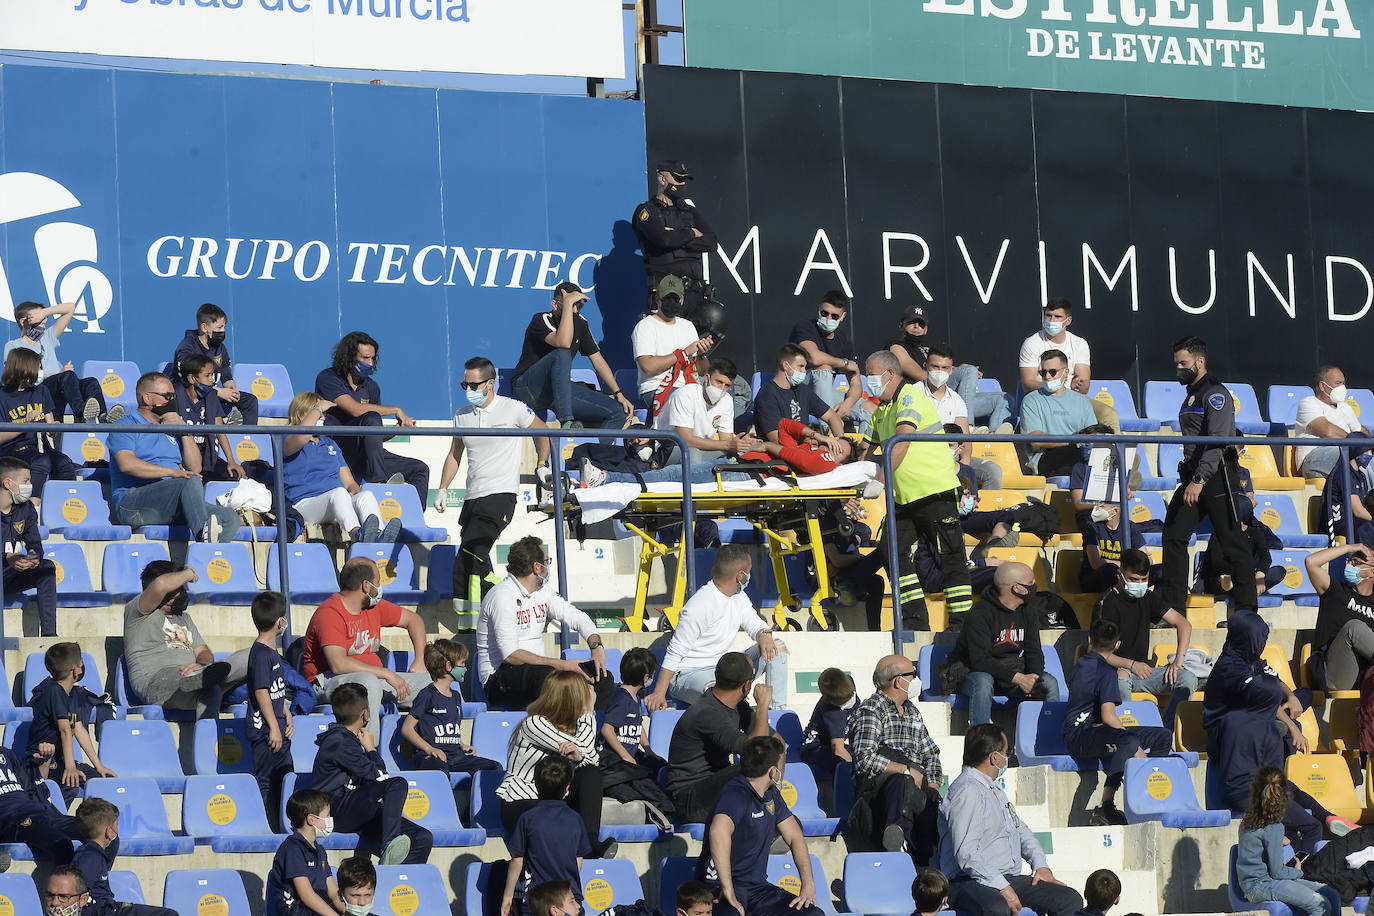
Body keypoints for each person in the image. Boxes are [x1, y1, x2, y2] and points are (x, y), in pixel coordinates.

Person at [1203, 610, 1354, 854]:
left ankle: (1327, 816)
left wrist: (1291, 697)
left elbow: (1269, 683)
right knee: (1308, 824)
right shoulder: (1230, 669)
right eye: (1260, 638)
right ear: (1250, 639)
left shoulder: (1247, 655)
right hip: (1226, 742)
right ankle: (1307, 860)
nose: (1263, 643)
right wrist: (1292, 727)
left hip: (1245, 766)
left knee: (1302, 695)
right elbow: (1259, 700)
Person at [861, 349, 970, 631]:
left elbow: (902, 441)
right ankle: (914, 620)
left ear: (889, 374)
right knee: (889, 549)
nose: (867, 380)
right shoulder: (881, 410)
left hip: (935, 492)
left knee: (951, 558)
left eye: (871, 375)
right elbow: (864, 450)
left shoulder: (910, 396)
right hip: (905, 498)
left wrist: (879, 481)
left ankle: (961, 626)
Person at [939, 723, 1084, 916]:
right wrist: (1002, 886)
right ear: (994, 757)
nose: (1007, 758)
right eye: (1006, 753)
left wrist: (1040, 865)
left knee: (1069, 899)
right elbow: (966, 855)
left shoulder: (994, 788)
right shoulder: (967, 791)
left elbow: (1019, 829)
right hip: (969, 880)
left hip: (1004, 878)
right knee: (997, 907)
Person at [438, 356, 550, 606]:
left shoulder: (513, 408)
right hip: (472, 498)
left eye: (473, 385)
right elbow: (455, 454)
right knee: (470, 562)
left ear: (490, 383)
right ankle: (486, 615)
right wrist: (443, 488)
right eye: (464, 385)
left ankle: (513, 594)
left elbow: (544, 432)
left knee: (470, 554)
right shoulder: (462, 415)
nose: (468, 390)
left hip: (500, 495)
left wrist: (542, 465)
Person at [1160, 336, 1257, 615]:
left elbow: (1217, 441)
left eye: (1183, 363)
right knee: (1174, 536)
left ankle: (1247, 612)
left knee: (1232, 543)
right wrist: (1193, 479)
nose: (1178, 368)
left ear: (1199, 361)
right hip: (1194, 476)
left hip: (1215, 476)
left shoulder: (1215, 394)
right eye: (1177, 363)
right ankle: (1175, 610)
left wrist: (1199, 480)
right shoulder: (1192, 394)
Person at [299, 557, 431, 743]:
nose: (380, 588)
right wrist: (387, 673)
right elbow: (338, 664)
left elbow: (414, 620)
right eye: (378, 582)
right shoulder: (329, 613)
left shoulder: (372, 607)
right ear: (366, 586)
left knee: (430, 684)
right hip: (328, 682)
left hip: (374, 680)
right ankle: (369, 751)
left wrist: (420, 660)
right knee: (368, 683)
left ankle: (430, 749)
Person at [475, 536, 614, 711]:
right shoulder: (502, 595)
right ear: (537, 567)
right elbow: (511, 655)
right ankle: (560, 727)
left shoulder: (543, 592)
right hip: (499, 678)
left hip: (539, 671)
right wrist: (564, 665)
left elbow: (578, 618)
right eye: (547, 562)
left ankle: (593, 727)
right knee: (546, 676)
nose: (548, 567)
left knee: (602, 676)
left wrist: (596, 647)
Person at [645, 545, 789, 711]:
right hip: (689, 675)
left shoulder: (739, 596)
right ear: (740, 576)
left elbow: (753, 622)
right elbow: (675, 651)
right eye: (749, 572)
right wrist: (659, 693)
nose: (750, 576)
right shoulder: (700, 605)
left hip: (724, 668)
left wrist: (764, 635)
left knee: (776, 647)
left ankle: (776, 712)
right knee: (723, 692)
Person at [696, 735, 824, 916]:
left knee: (812, 914)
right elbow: (718, 832)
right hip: (719, 887)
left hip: (757, 890)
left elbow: (795, 836)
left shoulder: (771, 795)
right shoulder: (736, 794)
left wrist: (808, 883)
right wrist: (727, 888)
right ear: (773, 772)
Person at [107, 371, 241, 542]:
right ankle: (203, 539)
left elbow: (195, 468)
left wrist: (183, 429)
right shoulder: (126, 425)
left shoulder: (172, 428)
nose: (172, 401)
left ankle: (207, 552)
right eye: (168, 396)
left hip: (172, 500)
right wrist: (173, 472)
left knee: (230, 518)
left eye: (174, 396)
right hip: (133, 504)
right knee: (188, 482)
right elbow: (127, 464)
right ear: (147, 398)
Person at [1063, 619, 1174, 825]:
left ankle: (1145, 793)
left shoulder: (1082, 662)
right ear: (1117, 645)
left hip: (1095, 732)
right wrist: (1135, 746)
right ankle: (1106, 805)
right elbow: (1108, 716)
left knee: (1163, 736)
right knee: (1130, 741)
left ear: (1089, 640)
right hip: (1080, 736)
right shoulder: (1105, 672)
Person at [311, 682, 432, 864]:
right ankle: (389, 845)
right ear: (365, 714)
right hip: (336, 809)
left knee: (422, 838)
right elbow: (381, 777)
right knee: (397, 783)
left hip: (357, 811)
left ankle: (390, 874)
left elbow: (369, 781)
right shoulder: (340, 742)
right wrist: (371, 749)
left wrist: (392, 810)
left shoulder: (347, 740)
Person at [496, 673, 615, 858]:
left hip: (556, 802)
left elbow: (592, 759)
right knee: (556, 817)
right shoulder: (534, 723)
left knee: (590, 772)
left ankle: (589, 842)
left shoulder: (574, 728)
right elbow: (585, 747)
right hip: (523, 802)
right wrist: (589, 712)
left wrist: (580, 756)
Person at [846, 654, 942, 863]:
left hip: (914, 784)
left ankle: (928, 857)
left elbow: (931, 753)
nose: (916, 679)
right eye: (913, 674)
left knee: (934, 799)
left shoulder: (913, 712)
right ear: (899, 681)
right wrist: (906, 770)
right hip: (877, 791)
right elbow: (864, 758)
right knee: (901, 781)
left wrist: (933, 784)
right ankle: (898, 839)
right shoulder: (871, 710)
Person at [124, 560, 246, 719]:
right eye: (178, 585)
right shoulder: (138, 613)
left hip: (193, 676)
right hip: (157, 682)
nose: (183, 590)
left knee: (251, 656)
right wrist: (188, 573)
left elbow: (203, 651)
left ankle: (203, 678)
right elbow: (160, 584)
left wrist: (201, 664)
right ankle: (202, 680)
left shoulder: (184, 618)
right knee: (209, 688)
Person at [1090, 548, 1196, 729]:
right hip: (1115, 672)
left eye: (1143, 579)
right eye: (1133, 579)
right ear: (1120, 575)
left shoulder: (1147, 597)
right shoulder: (1106, 603)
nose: (1139, 584)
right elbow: (1096, 652)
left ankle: (1163, 731)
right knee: (1120, 680)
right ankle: (1126, 735)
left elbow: (1183, 624)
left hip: (1145, 672)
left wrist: (1178, 661)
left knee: (1187, 678)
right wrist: (1130, 665)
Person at [314, 330, 428, 496]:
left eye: (373, 358)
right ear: (349, 356)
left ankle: (414, 513)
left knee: (419, 469)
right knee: (371, 417)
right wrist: (396, 409)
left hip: (367, 458)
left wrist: (395, 431)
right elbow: (355, 410)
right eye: (365, 358)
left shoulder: (371, 386)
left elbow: (373, 438)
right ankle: (379, 483)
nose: (371, 363)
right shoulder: (328, 377)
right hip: (338, 450)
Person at [666, 652, 774, 824]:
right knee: (755, 766)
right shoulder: (706, 713)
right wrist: (762, 706)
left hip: (717, 790)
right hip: (690, 801)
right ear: (746, 685)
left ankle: (769, 818)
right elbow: (757, 750)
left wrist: (776, 787)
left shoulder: (738, 707)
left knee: (788, 823)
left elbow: (777, 742)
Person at [946, 562, 1058, 726]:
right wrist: (1019, 679)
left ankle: (1049, 732)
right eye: (1031, 583)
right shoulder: (980, 613)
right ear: (1016, 588)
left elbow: (1034, 651)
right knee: (983, 682)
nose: (1035, 586)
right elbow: (980, 660)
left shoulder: (1028, 610)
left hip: (1010, 673)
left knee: (1049, 682)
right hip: (972, 673)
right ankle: (980, 734)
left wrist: (1033, 678)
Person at [511, 282, 633, 431]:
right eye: (571, 305)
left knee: (618, 411)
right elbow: (563, 342)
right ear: (555, 304)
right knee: (562, 353)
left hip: (557, 392)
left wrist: (618, 393)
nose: (575, 310)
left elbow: (598, 360)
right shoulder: (541, 319)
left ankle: (593, 446)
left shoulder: (581, 323)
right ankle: (567, 422)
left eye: (578, 305)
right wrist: (568, 303)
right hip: (528, 388)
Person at [282, 392, 396, 543]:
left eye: (324, 414)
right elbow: (302, 436)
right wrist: (318, 408)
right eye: (320, 415)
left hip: (337, 503)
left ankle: (378, 537)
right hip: (305, 503)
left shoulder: (330, 444)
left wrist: (354, 490)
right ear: (301, 415)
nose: (323, 418)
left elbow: (350, 483)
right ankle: (356, 533)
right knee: (339, 493)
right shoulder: (286, 437)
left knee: (365, 496)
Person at [1235, 766, 1343, 916]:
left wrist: (1277, 841)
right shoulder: (1274, 826)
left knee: (1332, 895)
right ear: (1285, 796)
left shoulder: (1249, 819)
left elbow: (1259, 842)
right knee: (1320, 905)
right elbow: (1278, 872)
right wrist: (1297, 871)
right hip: (1262, 885)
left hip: (1255, 883)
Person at [499, 755, 592, 916]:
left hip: (537, 903)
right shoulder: (575, 819)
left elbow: (517, 860)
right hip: (569, 901)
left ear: (536, 784)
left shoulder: (527, 818)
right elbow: (578, 861)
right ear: (567, 787)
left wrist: (508, 897)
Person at [28, 642, 115, 806]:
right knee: (70, 785)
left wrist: (99, 766)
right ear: (76, 670)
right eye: (81, 662)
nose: (82, 666)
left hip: (60, 762)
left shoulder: (72, 693)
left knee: (104, 780)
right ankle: (51, 817)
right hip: (42, 760)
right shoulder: (53, 691)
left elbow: (79, 729)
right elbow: (65, 731)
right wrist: (70, 767)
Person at [400, 639, 501, 775]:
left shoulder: (456, 696)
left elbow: (450, 731)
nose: (465, 668)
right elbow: (407, 729)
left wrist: (462, 745)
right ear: (448, 666)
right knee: (440, 770)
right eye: (462, 663)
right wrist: (429, 749)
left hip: (456, 757)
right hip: (432, 757)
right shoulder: (427, 695)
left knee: (494, 767)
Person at [6, 300, 113, 423]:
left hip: (59, 387)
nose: (44, 320)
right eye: (38, 317)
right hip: (37, 390)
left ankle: (103, 417)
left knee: (91, 382)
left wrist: (44, 312)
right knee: (67, 376)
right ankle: (81, 413)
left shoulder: (47, 338)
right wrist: (57, 374)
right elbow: (16, 376)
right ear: (23, 321)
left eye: (44, 317)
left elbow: (70, 308)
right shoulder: (13, 346)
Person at [1018, 298, 1116, 430]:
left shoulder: (1079, 343)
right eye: (1048, 316)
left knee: (1109, 415)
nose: (1052, 321)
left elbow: (1083, 387)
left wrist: (1080, 385)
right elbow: (1027, 384)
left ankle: (1102, 445)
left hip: (1073, 398)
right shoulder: (1031, 343)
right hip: (1043, 397)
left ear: (1068, 321)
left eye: (1058, 317)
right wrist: (1054, 386)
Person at [72, 797, 177, 916]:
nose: (117, 830)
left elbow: (112, 847)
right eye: (116, 825)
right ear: (109, 831)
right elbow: (78, 889)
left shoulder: (93, 852)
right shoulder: (89, 857)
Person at [632, 160, 716, 306]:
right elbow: (663, 239)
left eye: (684, 179)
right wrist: (691, 233)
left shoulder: (689, 210)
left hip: (695, 294)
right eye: (678, 179)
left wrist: (677, 236)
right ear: (662, 179)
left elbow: (711, 242)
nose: (682, 183)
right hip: (667, 294)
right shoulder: (647, 210)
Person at [0, 348, 81, 498]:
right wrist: (26, 424)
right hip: (13, 449)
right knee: (41, 461)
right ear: (24, 368)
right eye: (38, 367)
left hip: (40, 446)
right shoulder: (2, 396)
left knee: (64, 463)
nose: (41, 372)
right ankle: (33, 506)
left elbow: (50, 426)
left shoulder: (41, 391)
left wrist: (53, 428)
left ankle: (68, 503)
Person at [789, 290, 872, 433]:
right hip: (799, 390)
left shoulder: (844, 339)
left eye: (834, 316)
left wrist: (848, 403)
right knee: (824, 367)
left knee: (871, 409)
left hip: (825, 394)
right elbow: (814, 357)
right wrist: (845, 363)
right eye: (824, 313)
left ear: (843, 316)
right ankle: (827, 433)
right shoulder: (805, 327)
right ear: (819, 310)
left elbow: (856, 383)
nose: (828, 318)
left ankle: (863, 447)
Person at [631, 275, 714, 417]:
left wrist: (702, 353)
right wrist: (683, 353)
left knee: (721, 399)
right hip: (656, 388)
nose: (671, 302)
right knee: (687, 404)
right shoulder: (645, 326)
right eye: (667, 298)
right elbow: (648, 366)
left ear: (682, 300)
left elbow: (701, 370)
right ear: (657, 299)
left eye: (675, 299)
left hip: (689, 386)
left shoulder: (688, 326)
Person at [921, 343, 1001, 488]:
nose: (940, 372)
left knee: (993, 470)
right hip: (923, 459)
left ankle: (980, 503)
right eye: (935, 367)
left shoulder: (957, 399)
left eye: (945, 368)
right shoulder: (914, 393)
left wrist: (964, 468)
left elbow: (965, 438)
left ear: (952, 370)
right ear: (925, 366)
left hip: (952, 458)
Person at [248, 591, 294, 832]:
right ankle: (269, 829)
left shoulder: (272, 652)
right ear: (280, 621)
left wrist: (285, 711)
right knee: (267, 782)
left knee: (285, 778)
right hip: (266, 732)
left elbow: (276, 689)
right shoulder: (260, 653)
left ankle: (283, 827)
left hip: (278, 726)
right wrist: (274, 727)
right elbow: (261, 691)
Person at [171, 302, 259, 426]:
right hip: (190, 395)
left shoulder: (219, 347)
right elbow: (190, 383)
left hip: (212, 392)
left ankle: (248, 436)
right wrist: (219, 392)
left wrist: (231, 389)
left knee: (250, 401)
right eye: (219, 327)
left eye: (224, 327)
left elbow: (226, 376)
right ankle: (222, 424)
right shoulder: (187, 348)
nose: (223, 331)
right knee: (211, 398)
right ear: (204, 327)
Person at [0, 457, 58, 636]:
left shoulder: (26, 509)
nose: (30, 485)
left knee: (46, 568)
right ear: (8, 483)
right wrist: (7, 558)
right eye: (25, 481)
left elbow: (35, 545)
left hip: (9, 575)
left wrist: (32, 557)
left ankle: (49, 635)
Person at [1305, 542, 1374, 692]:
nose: (1350, 565)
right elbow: (1311, 562)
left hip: (1364, 678)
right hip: (1332, 676)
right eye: (1349, 560)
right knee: (1354, 628)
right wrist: (1350, 548)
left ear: (1372, 572)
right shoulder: (1336, 592)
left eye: (1356, 562)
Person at [1018, 350, 1097, 478]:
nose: (1047, 377)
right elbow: (1036, 440)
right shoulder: (1031, 400)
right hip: (1045, 458)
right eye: (1043, 372)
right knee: (1077, 456)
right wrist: (1071, 441)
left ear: (1066, 373)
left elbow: (1093, 435)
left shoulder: (1082, 401)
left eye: (1052, 372)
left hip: (1078, 453)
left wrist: (1081, 443)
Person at [265, 788, 343, 916]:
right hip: (297, 911)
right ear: (311, 819)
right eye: (327, 816)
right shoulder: (292, 849)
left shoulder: (320, 851)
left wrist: (349, 911)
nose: (330, 820)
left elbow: (334, 892)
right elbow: (307, 895)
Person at [0, 738, 80, 862]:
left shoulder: (7, 754)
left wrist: (45, 762)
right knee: (62, 844)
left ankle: (93, 874)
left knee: (101, 832)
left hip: (45, 813)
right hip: (15, 819)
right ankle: (64, 875)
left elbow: (35, 789)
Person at [171, 353, 244, 482]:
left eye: (212, 375)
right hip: (181, 457)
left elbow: (219, 431)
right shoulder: (174, 395)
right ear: (192, 378)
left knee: (233, 476)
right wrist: (175, 463)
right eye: (207, 375)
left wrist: (231, 461)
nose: (212, 380)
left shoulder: (211, 396)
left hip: (207, 458)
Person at [753, 343, 845, 443]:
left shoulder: (803, 391)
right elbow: (775, 438)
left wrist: (841, 443)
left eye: (805, 367)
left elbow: (832, 417)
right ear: (785, 365)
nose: (804, 371)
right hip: (781, 451)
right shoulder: (767, 395)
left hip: (805, 446)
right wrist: (813, 439)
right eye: (800, 366)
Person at [1296, 366, 1368, 480]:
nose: (1343, 387)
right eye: (1338, 383)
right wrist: (1357, 445)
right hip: (1314, 458)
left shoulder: (1345, 407)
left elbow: (1362, 431)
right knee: (1356, 458)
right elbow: (1328, 431)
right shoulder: (1308, 403)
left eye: (1343, 383)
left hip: (1345, 451)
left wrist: (1364, 445)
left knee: (1365, 461)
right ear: (1322, 386)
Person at [599, 647, 662, 769]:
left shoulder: (636, 697)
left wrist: (647, 749)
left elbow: (638, 726)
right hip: (614, 760)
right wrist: (626, 757)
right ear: (646, 677)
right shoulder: (622, 698)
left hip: (629, 755)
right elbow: (607, 730)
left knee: (660, 766)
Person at [799, 667, 855, 783]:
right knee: (840, 763)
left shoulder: (849, 682)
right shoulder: (832, 711)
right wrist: (856, 772)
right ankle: (842, 793)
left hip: (832, 745)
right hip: (814, 748)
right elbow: (838, 750)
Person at [1079, 501, 1146, 594]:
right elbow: (1096, 563)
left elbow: (1146, 559)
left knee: (1159, 571)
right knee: (1110, 569)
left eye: (1101, 506)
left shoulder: (1130, 527)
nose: (1096, 508)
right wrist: (1127, 565)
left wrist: (1132, 566)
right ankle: (1110, 601)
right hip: (1094, 579)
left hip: (1125, 575)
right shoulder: (1092, 527)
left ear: (1115, 511)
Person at [1320, 448, 1374, 547]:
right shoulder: (1343, 473)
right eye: (1367, 451)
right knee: (1368, 528)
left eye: (1371, 452)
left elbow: (1365, 506)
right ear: (1356, 451)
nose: (1370, 455)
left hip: (1356, 522)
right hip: (1340, 523)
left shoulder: (1361, 476)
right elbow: (1358, 511)